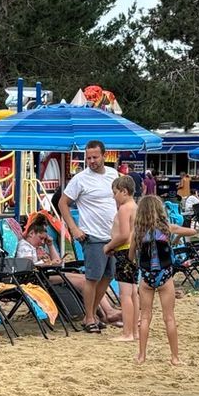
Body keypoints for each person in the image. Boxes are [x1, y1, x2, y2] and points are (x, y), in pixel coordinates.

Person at [131, 193, 197, 366]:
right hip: (165, 276)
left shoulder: (137, 233)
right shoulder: (168, 228)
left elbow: (131, 256)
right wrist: (175, 238)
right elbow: (193, 231)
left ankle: (141, 356)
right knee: (169, 318)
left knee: (145, 317)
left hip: (146, 277)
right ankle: (175, 357)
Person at [61, 141, 121, 328]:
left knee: (107, 276)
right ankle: (89, 317)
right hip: (92, 235)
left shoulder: (113, 174)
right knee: (92, 277)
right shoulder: (80, 179)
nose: (92, 161)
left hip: (112, 234)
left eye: (95, 157)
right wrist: (74, 228)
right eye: (88, 158)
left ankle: (93, 313)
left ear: (104, 156)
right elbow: (63, 203)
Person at [109, 173, 139, 343]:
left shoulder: (124, 208)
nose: (114, 196)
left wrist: (109, 246)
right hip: (132, 252)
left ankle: (127, 332)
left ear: (124, 192)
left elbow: (124, 235)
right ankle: (133, 330)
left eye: (115, 192)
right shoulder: (135, 206)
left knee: (125, 294)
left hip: (123, 251)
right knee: (133, 293)